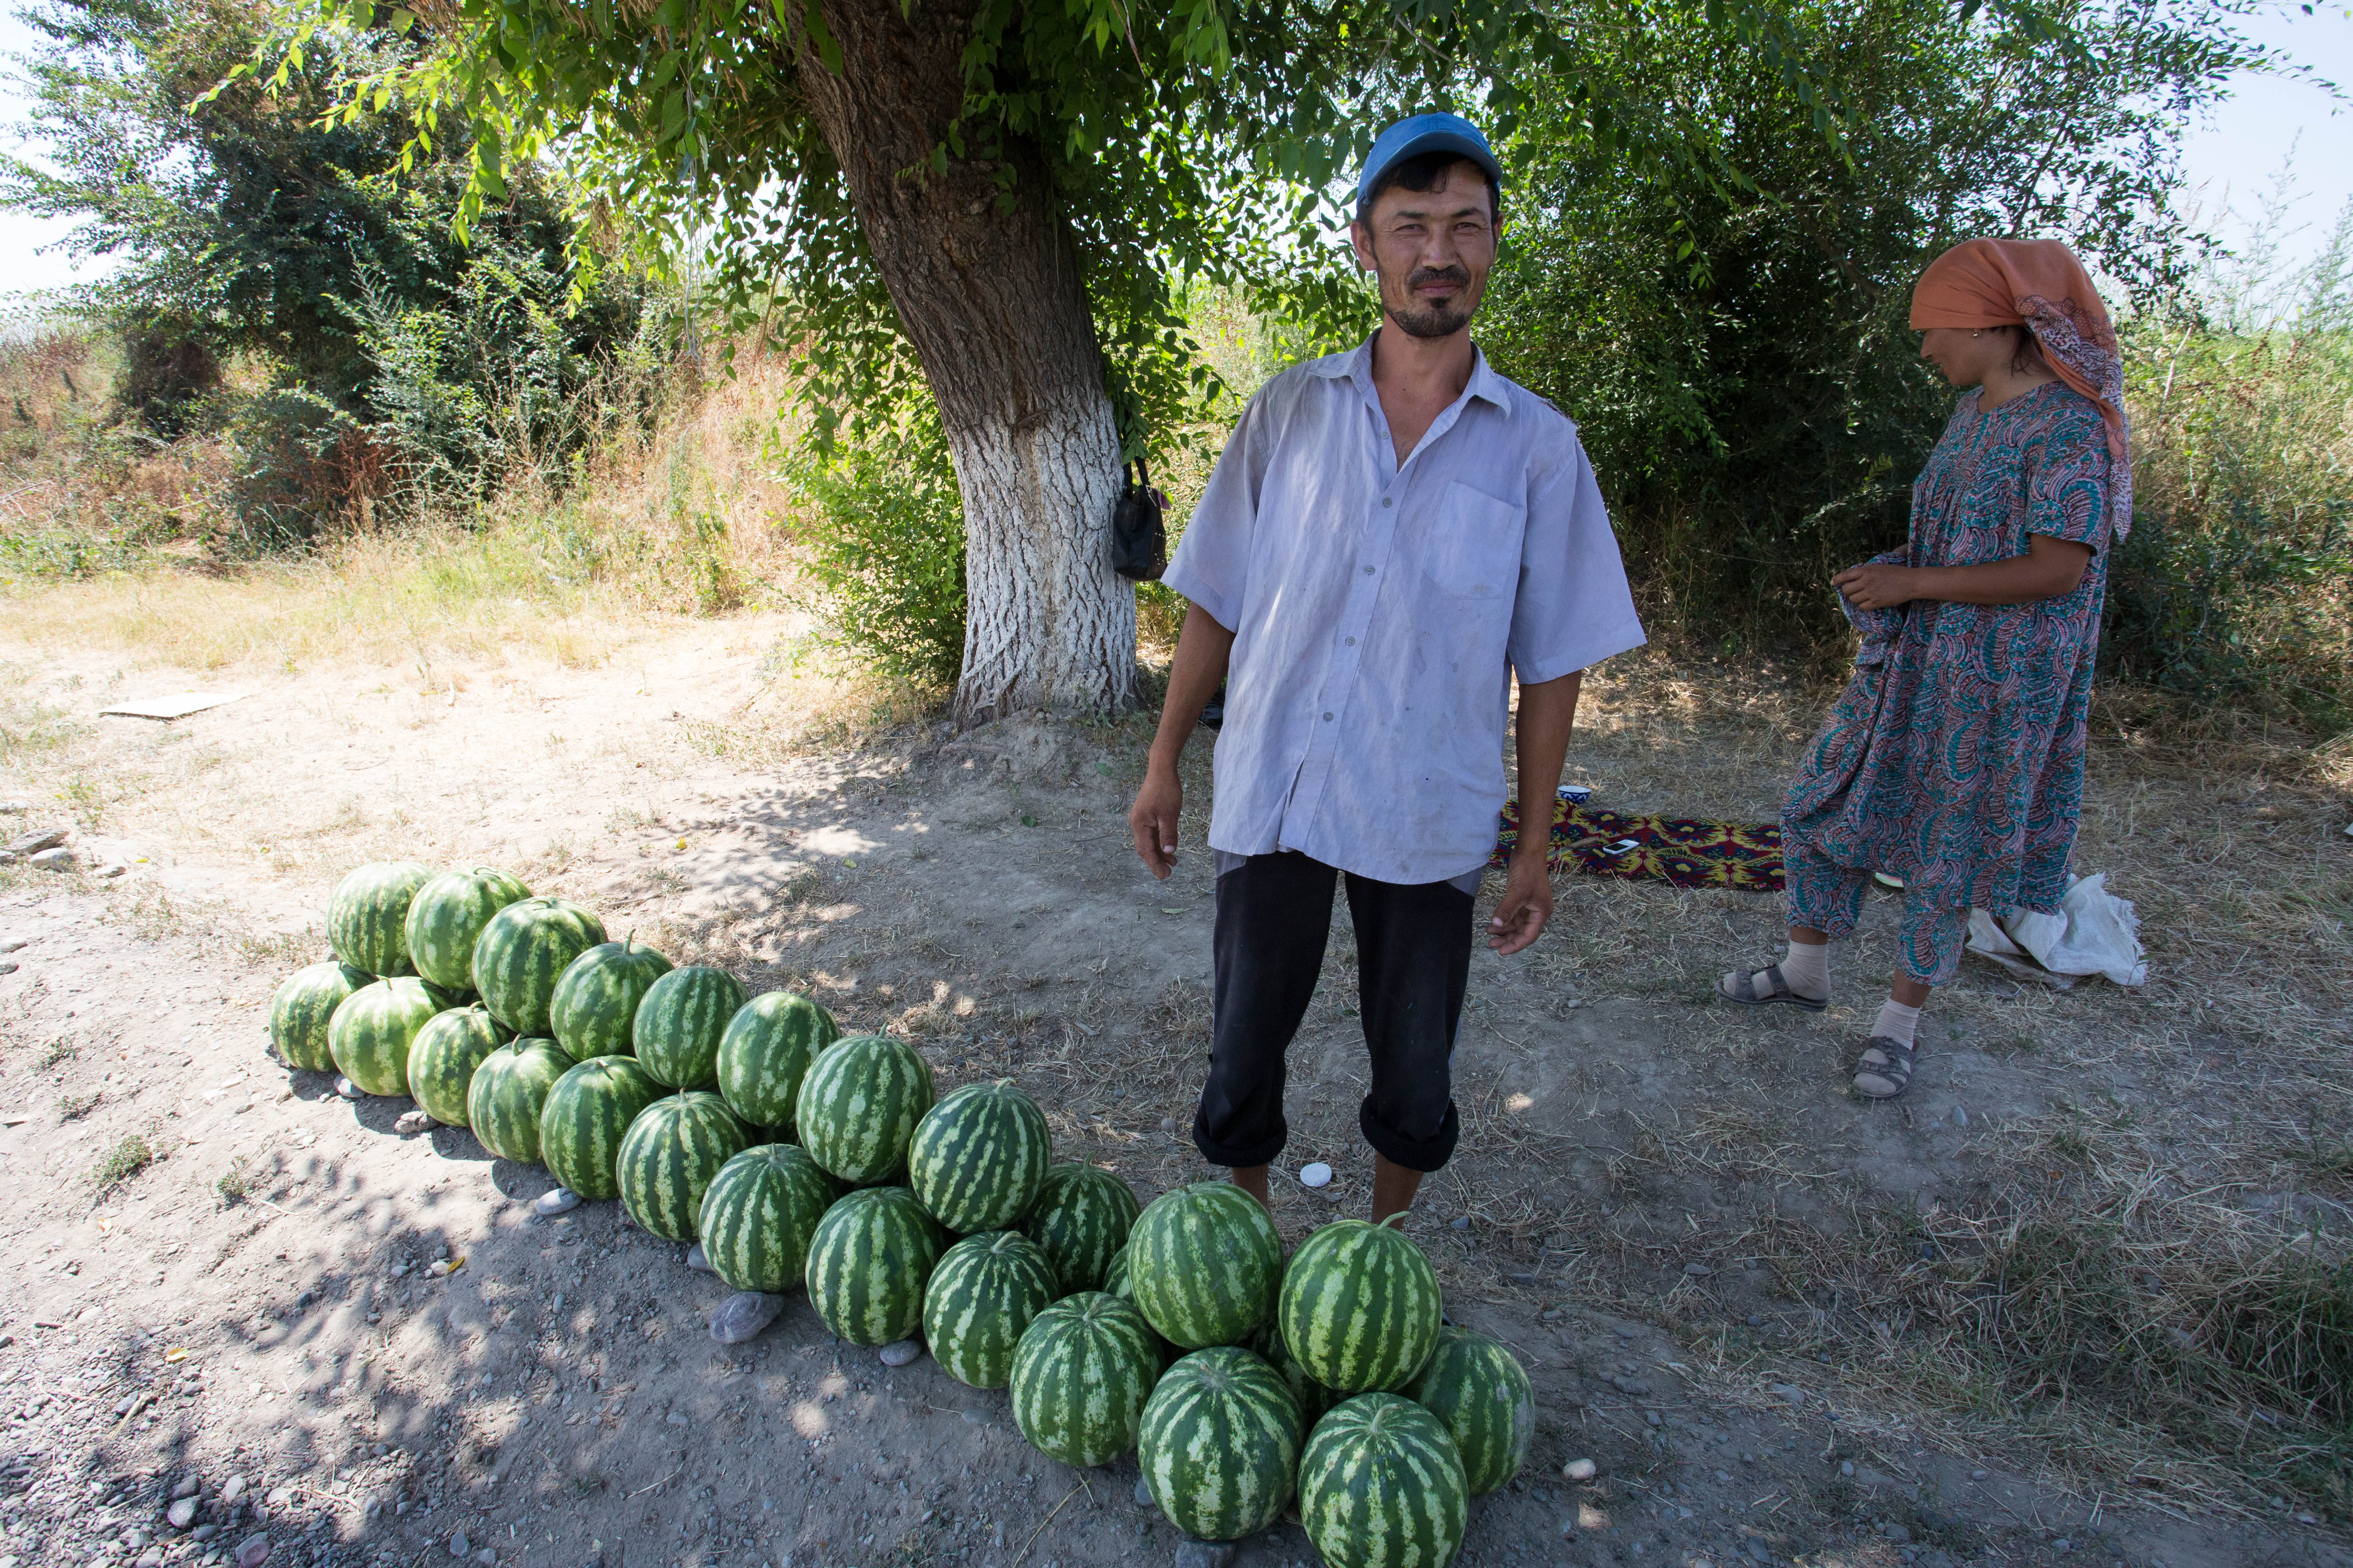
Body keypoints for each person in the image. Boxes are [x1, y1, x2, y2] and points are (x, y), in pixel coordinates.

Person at [1126, 112, 1646, 1221]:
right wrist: (1165, 758)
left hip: (1422, 804)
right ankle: (1238, 1233)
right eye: (1411, 225)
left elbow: (1552, 660)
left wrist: (1537, 843)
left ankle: (1384, 1249)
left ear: (1495, 245)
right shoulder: (1287, 414)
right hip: (1279, 781)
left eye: (1465, 224)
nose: (1439, 252)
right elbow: (1214, 596)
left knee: (1415, 1061)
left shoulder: (1539, 450)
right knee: (1242, 1038)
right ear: (1365, 244)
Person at [1717, 237, 2132, 1099]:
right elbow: (1966, 537)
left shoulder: (2071, 426)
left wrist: (1919, 581)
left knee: (1949, 850)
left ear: (1990, 322)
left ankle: (1898, 1026)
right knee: (1820, 797)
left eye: (1932, 328)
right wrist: (1895, 577)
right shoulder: (1973, 412)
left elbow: (2061, 567)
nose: (1924, 347)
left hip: (2004, 682)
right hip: (1923, 657)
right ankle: (1806, 971)